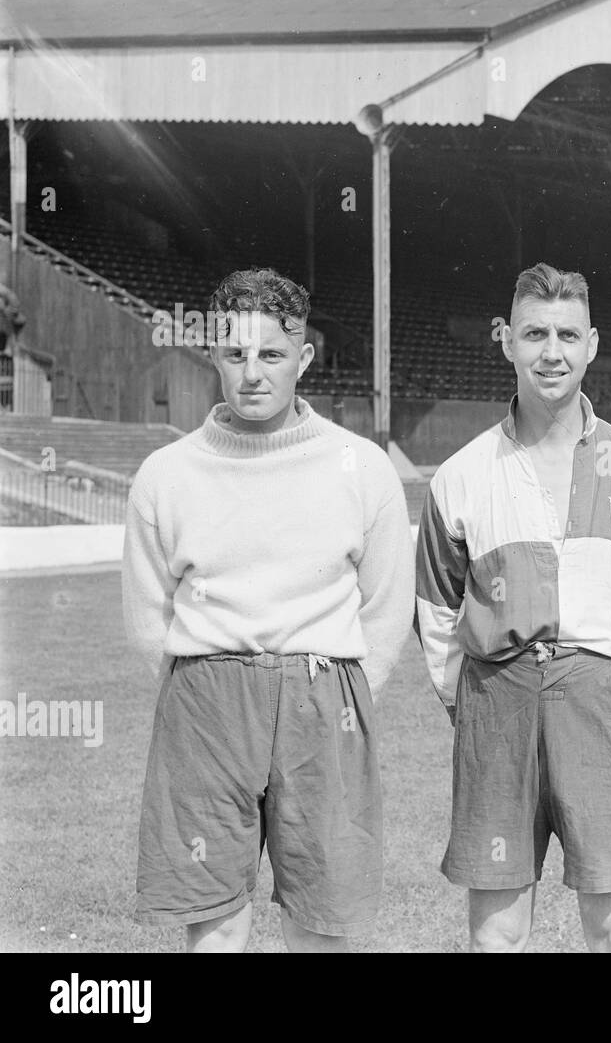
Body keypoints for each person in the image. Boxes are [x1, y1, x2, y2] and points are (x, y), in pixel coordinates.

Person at [122, 268, 414, 952]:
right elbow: (147, 613)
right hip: (206, 703)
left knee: (322, 920)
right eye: (235, 354)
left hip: (324, 698)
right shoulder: (168, 473)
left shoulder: (360, 466)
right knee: (214, 922)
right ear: (214, 356)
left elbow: (386, 605)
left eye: (272, 355)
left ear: (303, 358)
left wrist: (339, 694)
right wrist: (207, 686)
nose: (252, 373)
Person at [415, 262, 611, 953]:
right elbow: (437, 612)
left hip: (605, 706)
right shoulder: (462, 475)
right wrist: (471, 708)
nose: (551, 352)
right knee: (498, 929)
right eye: (535, 333)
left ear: (592, 344)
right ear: (506, 341)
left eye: (567, 334)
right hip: (498, 702)